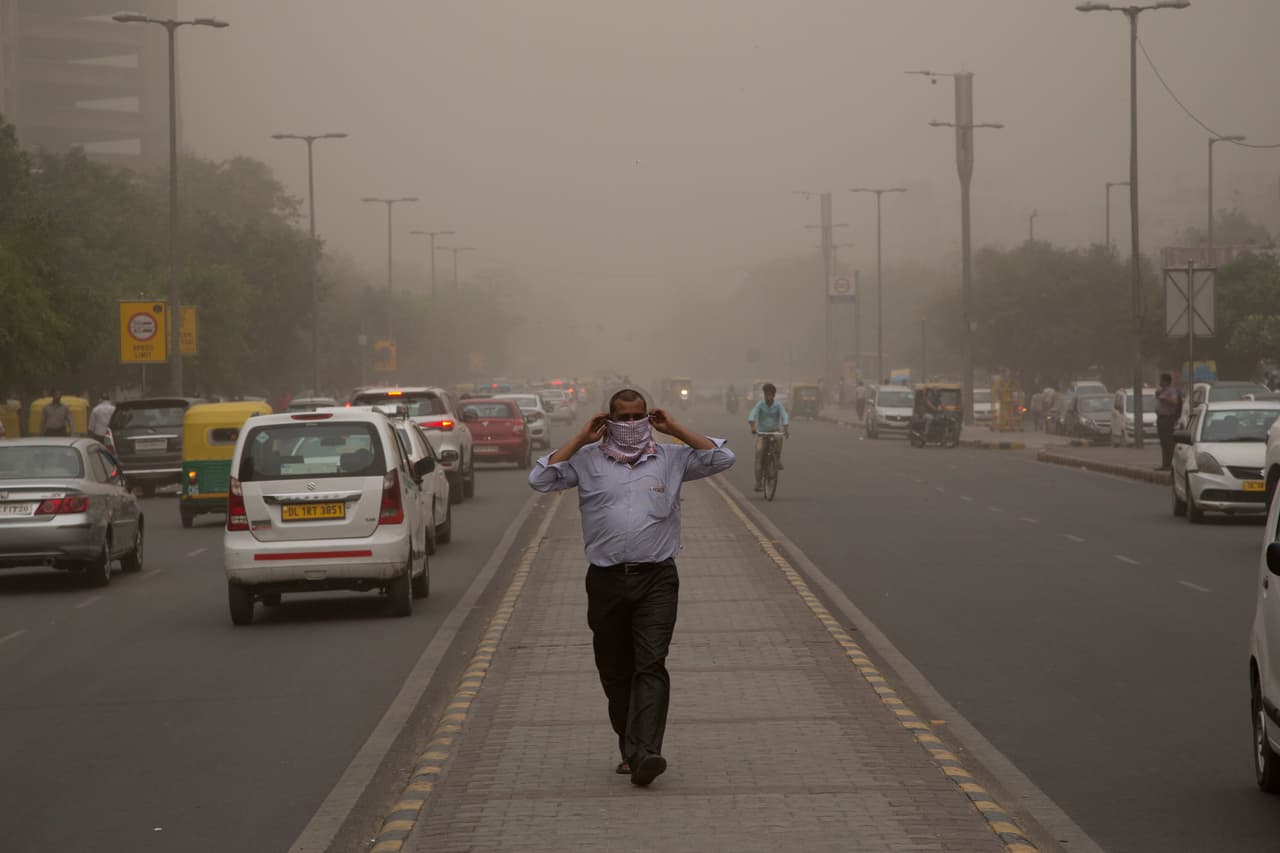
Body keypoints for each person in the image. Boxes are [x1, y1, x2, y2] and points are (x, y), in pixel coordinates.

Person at [528, 387, 735, 787]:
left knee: (650, 664)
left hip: (657, 579)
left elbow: (722, 457)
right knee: (615, 670)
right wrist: (579, 438)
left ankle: (647, 752)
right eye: (621, 419)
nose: (629, 425)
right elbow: (540, 478)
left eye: (636, 417)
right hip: (606, 581)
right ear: (607, 420)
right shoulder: (587, 461)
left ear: (647, 417)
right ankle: (631, 746)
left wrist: (673, 428)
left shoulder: (672, 459)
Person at [747, 382, 790, 492]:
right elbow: (753, 414)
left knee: (780, 439)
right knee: (759, 455)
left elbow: (784, 415)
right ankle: (758, 483)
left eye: (771, 394)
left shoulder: (778, 405)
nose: (768, 397)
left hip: (775, 431)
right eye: (767, 394)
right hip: (762, 433)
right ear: (764, 394)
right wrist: (753, 426)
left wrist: (785, 428)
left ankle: (777, 460)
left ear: (774, 396)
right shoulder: (760, 404)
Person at [1154, 372, 1182, 471]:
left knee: (1168, 442)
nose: (1160, 382)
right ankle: (1165, 464)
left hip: (1168, 419)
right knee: (1163, 442)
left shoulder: (1171, 391)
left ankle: (1169, 464)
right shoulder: (1162, 391)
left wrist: (1165, 398)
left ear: (1166, 381)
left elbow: (1174, 402)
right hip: (1161, 419)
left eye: (1161, 380)